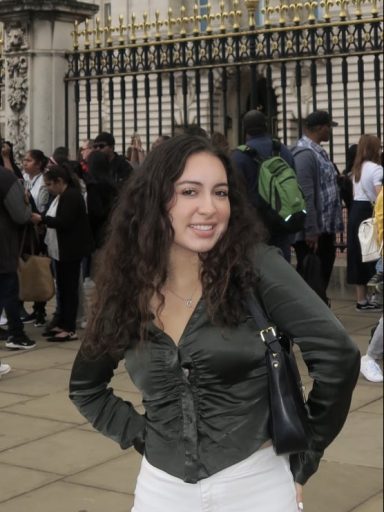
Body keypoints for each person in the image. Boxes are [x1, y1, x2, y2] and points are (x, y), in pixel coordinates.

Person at [69, 135, 360, 512]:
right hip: (161, 490)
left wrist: (306, 455)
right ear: (155, 199)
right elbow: (85, 387)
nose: (210, 208)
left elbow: (338, 356)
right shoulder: (128, 284)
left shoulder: (257, 268)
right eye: (190, 191)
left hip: (255, 484)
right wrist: (143, 436)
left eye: (220, 193)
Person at [33, 164, 93, 341]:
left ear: (60, 181)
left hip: (71, 249)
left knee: (69, 289)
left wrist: (42, 219)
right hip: (61, 249)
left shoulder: (71, 196)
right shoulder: (62, 196)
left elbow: (64, 222)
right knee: (64, 288)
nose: (49, 189)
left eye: (50, 185)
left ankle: (69, 328)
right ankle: (63, 322)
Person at [231, 109, 296, 261]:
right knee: (282, 268)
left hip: (253, 223)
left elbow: (235, 193)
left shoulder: (238, 157)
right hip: (281, 218)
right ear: (266, 126)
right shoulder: (283, 151)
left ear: (245, 129)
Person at [292, 110, 343, 293]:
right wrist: (311, 230)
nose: (330, 131)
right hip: (315, 232)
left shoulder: (317, 151)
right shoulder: (305, 154)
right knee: (313, 278)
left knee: (319, 278)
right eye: (329, 127)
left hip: (323, 228)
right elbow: (306, 193)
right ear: (320, 128)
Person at [0, 165, 36, 350]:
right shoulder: (6, 179)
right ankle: (16, 333)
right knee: (9, 289)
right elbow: (21, 215)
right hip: (3, 245)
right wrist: (27, 203)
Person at [347, 134, 383, 310]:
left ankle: (361, 299)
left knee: (358, 255)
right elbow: (380, 195)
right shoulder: (377, 169)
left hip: (356, 212)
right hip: (370, 212)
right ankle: (376, 296)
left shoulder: (357, 169)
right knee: (377, 254)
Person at [20, 149, 51, 326]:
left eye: (29, 160)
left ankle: (40, 308)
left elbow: (42, 205)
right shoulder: (25, 178)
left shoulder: (44, 182)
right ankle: (28, 307)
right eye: (24, 160)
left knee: (38, 267)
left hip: (39, 228)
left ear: (39, 164)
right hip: (26, 228)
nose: (25, 163)